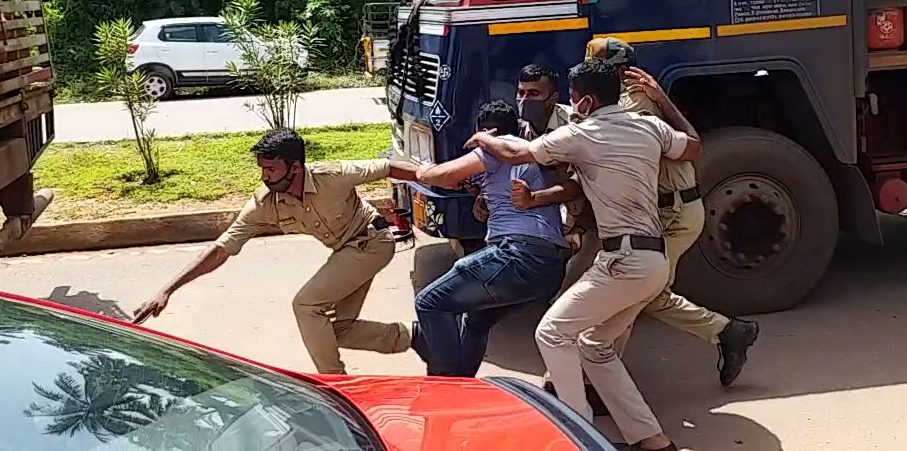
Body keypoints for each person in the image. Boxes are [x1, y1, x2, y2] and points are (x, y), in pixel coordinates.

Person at [467, 58, 699, 451]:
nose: (572, 108)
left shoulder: (582, 133)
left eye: (574, 100)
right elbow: (692, 146)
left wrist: (482, 140)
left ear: (587, 102)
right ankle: (652, 440)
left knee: (552, 332)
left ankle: (578, 438)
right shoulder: (649, 125)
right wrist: (662, 98)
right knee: (594, 345)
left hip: (622, 261)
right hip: (654, 260)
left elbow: (515, 154)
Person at [132, 128, 421, 375]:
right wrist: (167, 290)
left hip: (372, 242)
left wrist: (440, 177)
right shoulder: (265, 203)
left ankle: (337, 383)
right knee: (333, 331)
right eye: (262, 169)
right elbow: (222, 248)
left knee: (306, 305)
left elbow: (390, 168)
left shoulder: (331, 175)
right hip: (347, 251)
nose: (265, 177)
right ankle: (414, 336)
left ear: (295, 167)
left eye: (271, 169)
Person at [583, 37, 761, 387]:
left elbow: (606, 140)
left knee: (630, 293)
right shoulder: (625, 99)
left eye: (597, 69)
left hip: (673, 213)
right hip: (665, 212)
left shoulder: (636, 102)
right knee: (647, 295)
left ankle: (598, 384)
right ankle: (728, 332)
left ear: (617, 70)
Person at [409, 100, 571, 377]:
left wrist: (422, 170)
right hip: (550, 267)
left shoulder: (495, 147)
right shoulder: (525, 153)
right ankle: (464, 383)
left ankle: (448, 386)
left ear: (487, 131)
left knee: (430, 303)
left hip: (517, 254)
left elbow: (444, 175)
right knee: (477, 320)